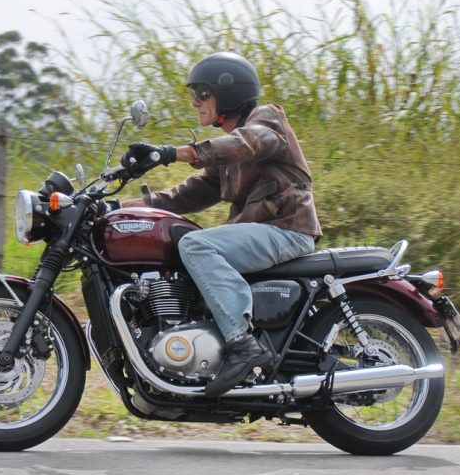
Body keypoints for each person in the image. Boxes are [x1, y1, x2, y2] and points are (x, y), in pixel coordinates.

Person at [120, 52, 322, 397]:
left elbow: (247, 144)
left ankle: (241, 343)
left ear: (228, 93)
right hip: (268, 232)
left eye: (202, 94)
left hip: (287, 228)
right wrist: (118, 207)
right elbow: (184, 196)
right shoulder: (228, 158)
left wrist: (172, 153)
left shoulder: (266, 120)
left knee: (195, 244)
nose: (195, 102)